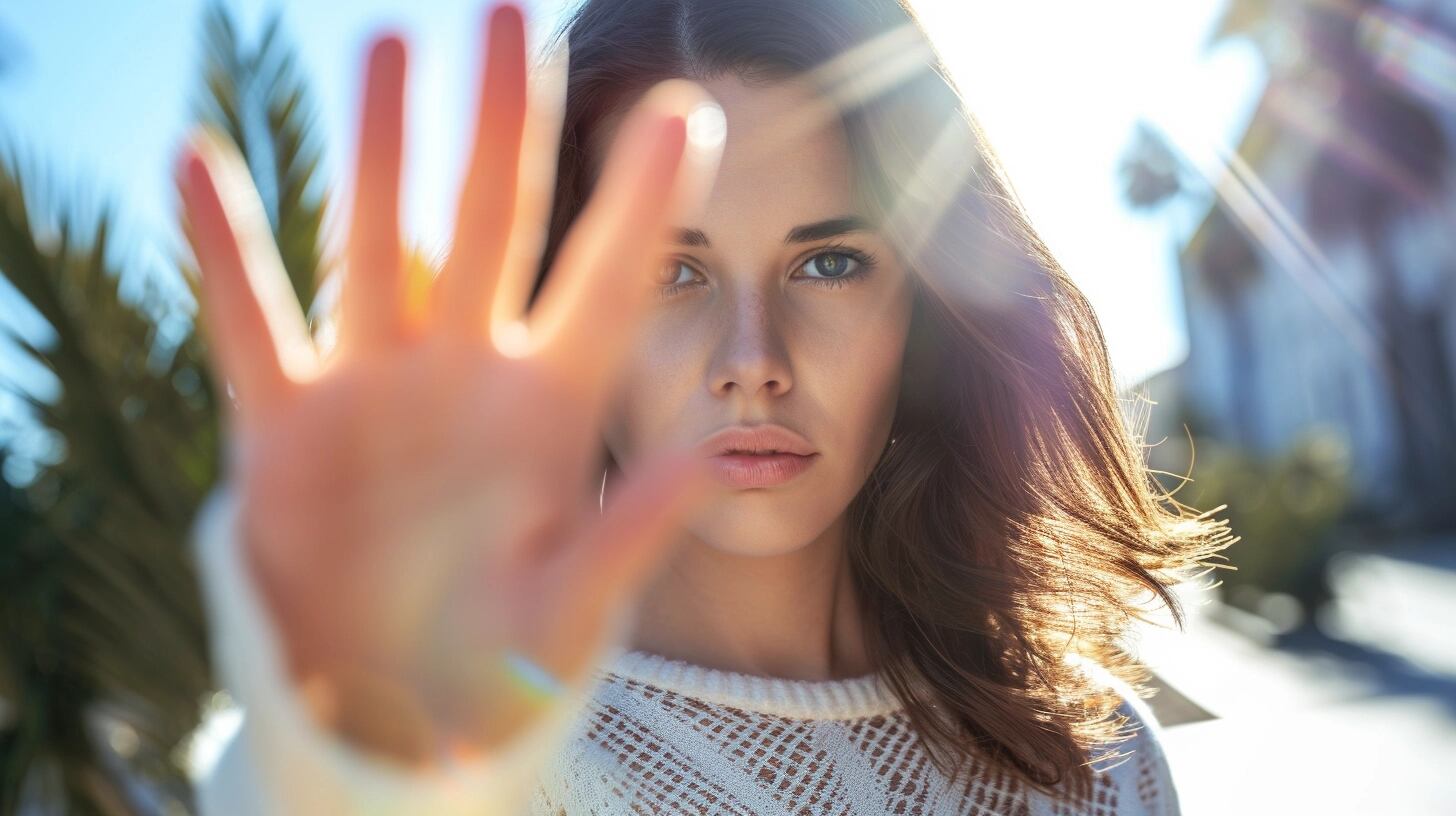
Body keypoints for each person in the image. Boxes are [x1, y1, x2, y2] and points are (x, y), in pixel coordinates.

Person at [179, 0, 1231, 812]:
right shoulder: (492, 758)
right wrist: (339, 747)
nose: (751, 360)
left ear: (923, 309)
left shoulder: (1099, 757)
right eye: (669, 273)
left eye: (828, 262)